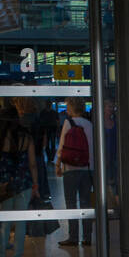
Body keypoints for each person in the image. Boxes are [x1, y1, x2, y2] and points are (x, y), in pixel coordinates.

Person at [0, 108, 39, 257]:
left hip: (3, 185)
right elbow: (32, 164)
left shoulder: (1, 138)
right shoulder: (26, 137)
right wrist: (35, 185)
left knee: (4, 222)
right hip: (23, 184)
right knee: (21, 223)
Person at [55, 97, 94, 247]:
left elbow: (62, 146)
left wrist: (58, 164)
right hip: (87, 169)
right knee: (86, 203)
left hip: (70, 169)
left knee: (71, 203)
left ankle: (73, 236)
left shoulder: (68, 123)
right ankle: (87, 237)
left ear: (72, 107)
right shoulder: (90, 124)